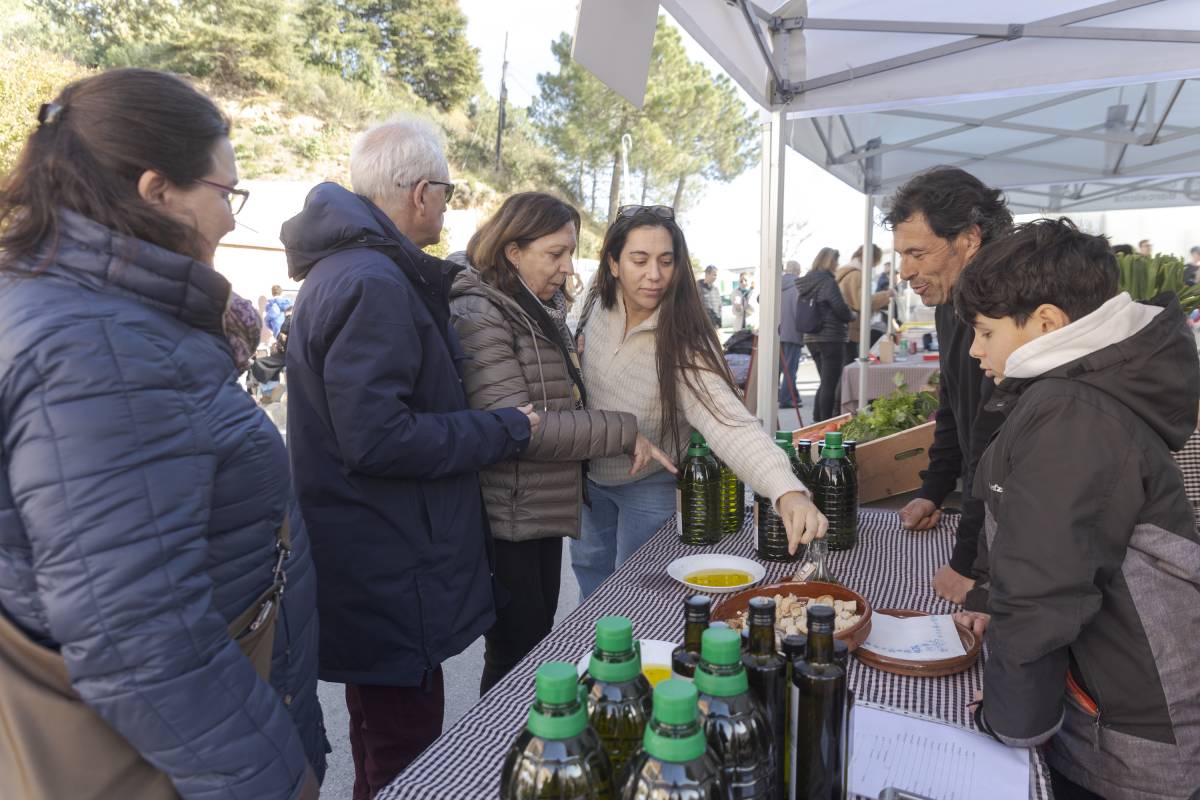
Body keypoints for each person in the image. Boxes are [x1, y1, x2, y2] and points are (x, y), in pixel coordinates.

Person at [0, 68, 324, 798]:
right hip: (180, 761)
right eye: (225, 194)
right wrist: (275, 779)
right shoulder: (98, 346)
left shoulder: (78, 307)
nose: (233, 220)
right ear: (156, 191)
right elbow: (135, 635)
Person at [281, 117, 537, 799]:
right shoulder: (375, 282)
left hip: (375, 558)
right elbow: (378, 438)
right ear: (421, 192)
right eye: (448, 193)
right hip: (389, 564)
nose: (448, 207)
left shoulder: (353, 271)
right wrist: (499, 427)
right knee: (406, 757)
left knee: (381, 742)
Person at [953, 217, 1200, 800]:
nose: (974, 349)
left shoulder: (1073, 413)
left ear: (1046, 323)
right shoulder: (1075, 393)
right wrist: (989, 597)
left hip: (1129, 733)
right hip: (1112, 699)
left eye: (985, 332)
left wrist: (1013, 722)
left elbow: (1044, 585)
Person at [448, 193, 676, 692]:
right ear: (513, 251)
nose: (569, 269)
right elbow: (519, 426)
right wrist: (623, 431)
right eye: (556, 254)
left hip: (538, 505)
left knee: (534, 643)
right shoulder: (482, 311)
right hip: (511, 512)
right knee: (518, 651)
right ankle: (504, 753)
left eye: (571, 254)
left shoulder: (532, 306)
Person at [572, 205, 827, 598]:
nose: (654, 275)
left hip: (647, 482)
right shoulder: (591, 304)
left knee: (637, 585)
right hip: (586, 475)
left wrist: (786, 489)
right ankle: (594, 642)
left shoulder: (685, 337)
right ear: (613, 264)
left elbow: (729, 422)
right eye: (639, 260)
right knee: (589, 564)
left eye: (666, 261)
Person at [885, 167, 1011, 605]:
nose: (904, 271)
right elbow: (954, 406)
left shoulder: (1011, 310)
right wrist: (932, 492)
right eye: (902, 255)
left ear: (969, 239)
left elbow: (995, 452)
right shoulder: (948, 300)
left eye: (917, 253)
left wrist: (969, 564)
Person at [797, 247, 853, 422]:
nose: (837, 265)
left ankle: (818, 417)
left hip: (811, 337)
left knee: (825, 380)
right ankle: (826, 420)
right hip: (830, 336)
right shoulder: (827, 281)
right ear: (830, 261)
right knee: (830, 382)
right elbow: (840, 308)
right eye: (836, 261)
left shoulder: (806, 282)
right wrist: (852, 315)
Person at [836, 243, 891, 359]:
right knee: (851, 367)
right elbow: (862, 302)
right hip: (851, 329)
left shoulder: (845, 271)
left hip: (843, 328)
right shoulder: (856, 275)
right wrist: (886, 295)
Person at [778, 259, 807, 409]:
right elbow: (801, 312)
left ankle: (792, 396)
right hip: (793, 332)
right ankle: (786, 399)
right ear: (797, 271)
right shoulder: (799, 286)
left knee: (780, 367)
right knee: (790, 368)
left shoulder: (776, 283)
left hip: (776, 332)